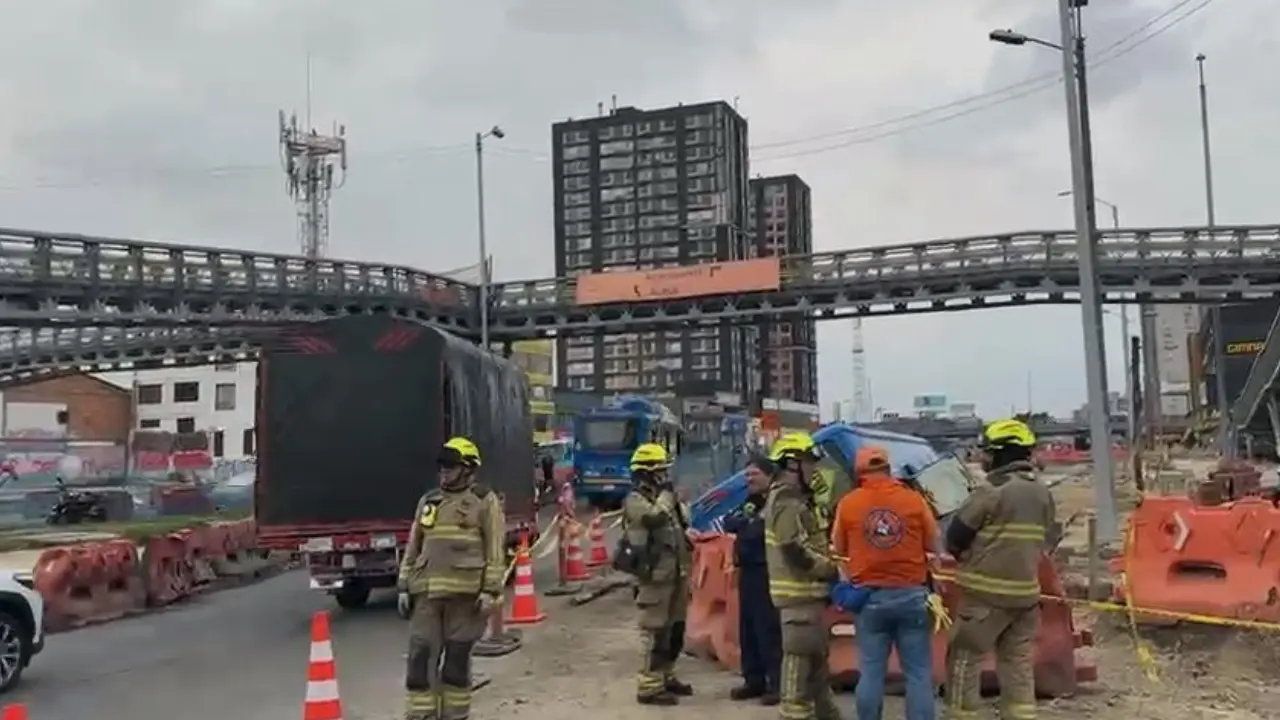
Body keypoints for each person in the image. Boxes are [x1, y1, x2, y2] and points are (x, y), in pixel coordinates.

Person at [944, 418, 1055, 720]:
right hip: (1026, 598)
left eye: (988, 452)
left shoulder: (993, 491)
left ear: (1002, 455)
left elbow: (954, 537)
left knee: (964, 661)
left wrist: (969, 555)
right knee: (1017, 665)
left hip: (984, 597)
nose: (983, 458)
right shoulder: (1043, 493)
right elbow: (1048, 539)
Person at [398, 436, 506, 720]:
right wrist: (403, 585)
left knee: (456, 664)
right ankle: (421, 715)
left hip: (466, 600)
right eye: (442, 466)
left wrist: (491, 591)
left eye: (451, 466)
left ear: (468, 468)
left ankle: (455, 715)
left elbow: (495, 549)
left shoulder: (484, 501)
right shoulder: (430, 500)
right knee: (420, 659)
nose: (444, 471)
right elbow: (414, 545)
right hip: (426, 596)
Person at [830, 446, 939, 720]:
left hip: (870, 599)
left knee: (871, 672)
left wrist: (850, 578)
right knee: (918, 673)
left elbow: (837, 549)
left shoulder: (849, 503)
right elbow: (935, 542)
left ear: (859, 473)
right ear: (889, 470)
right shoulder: (913, 500)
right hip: (912, 596)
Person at [763, 432, 843, 720]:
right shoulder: (785, 500)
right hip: (798, 599)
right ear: (792, 465)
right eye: (809, 463)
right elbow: (793, 550)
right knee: (798, 668)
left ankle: (826, 713)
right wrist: (831, 569)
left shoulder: (797, 499)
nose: (814, 469)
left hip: (808, 598)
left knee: (815, 666)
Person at [620, 442, 694, 706]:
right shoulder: (635, 499)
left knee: (675, 630)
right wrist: (667, 497)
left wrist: (679, 504)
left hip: (676, 574)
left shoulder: (665, 498)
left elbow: (679, 523)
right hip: (654, 578)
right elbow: (654, 519)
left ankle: (666, 676)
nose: (664, 476)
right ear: (647, 473)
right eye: (660, 471)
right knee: (655, 631)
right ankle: (649, 686)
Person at [722, 454, 782, 706]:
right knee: (747, 628)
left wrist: (748, 525)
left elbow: (759, 530)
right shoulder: (751, 501)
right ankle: (753, 679)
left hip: (766, 571)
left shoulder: (775, 501)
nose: (749, 479)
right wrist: (748, 523)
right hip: (747, 571)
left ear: (769, 475)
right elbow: (729, 522)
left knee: (767, 628)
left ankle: (775, 683)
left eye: (753, 474)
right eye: (746, 475)